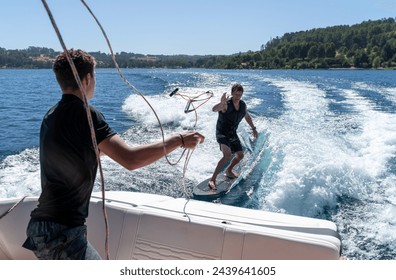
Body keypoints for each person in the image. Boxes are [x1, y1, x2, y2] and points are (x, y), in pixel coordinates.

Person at [22, 49, 205, 260]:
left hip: (41, 228)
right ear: (88, 78)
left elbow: (77, 155)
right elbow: (131, 160)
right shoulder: (87, 114)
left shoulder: (50, 116)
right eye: (95, 76)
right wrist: (178, 140)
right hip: (62, 232)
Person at [208, 83, 257, 190]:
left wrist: (253, 128)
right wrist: (222, 103)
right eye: (236, 94)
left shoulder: (243, 105)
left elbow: (247, 116)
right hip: (222, 132)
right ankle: (212, 179)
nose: (238, 96)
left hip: (232, 133)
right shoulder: (226, 104)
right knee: (227, 154)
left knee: (240, 155)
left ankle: (229, 170)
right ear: (232, 93)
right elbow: (214, 109)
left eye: (239, 94)